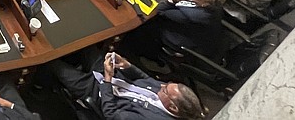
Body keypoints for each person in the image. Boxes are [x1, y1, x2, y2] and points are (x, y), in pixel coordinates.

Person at [47, 50, 202, 120]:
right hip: (117, 76)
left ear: (173, 107)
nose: (161, 86)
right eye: (166, 84)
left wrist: (107, 80)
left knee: (53, 63)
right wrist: (127, 66)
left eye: (165, 91)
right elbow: (145, 78)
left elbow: (111, 113)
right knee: (84, 45)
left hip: (96, 92)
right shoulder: (166, 92)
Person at [125, 0, 227, 65]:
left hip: (178, 39)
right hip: (199, 33)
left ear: (204, 3)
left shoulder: (191, 16)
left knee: (145, 26)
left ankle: (147, 55)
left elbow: (161, 10)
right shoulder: (214, 3)